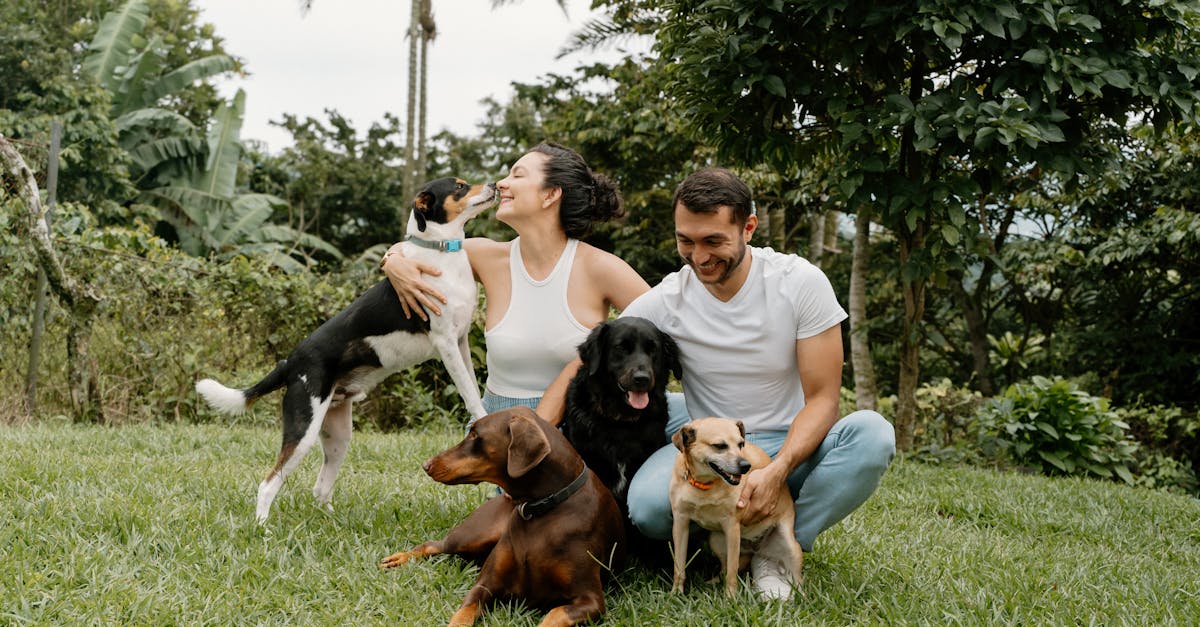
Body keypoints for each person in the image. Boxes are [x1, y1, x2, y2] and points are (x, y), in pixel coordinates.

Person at [539, 167, 895, 599]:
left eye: (713, 241)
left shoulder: (800, 283)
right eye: (685, 241)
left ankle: (773, 548)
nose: (699, 256)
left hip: (791, 444)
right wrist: (535, 436)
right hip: (711, 450)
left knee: (873, 435)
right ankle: (725, 539)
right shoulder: (668, 299)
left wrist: (777, 472)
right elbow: (590, 358)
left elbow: (823, 400)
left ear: (748, 227)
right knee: (649, 509)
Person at [381, 142, 649, 418]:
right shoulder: (484, 256)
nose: (501, 184)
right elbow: (415, 247)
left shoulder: (599, 267)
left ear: (550, 194)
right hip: (493, 426)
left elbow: (668, 322)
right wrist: (392, 262)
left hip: (578, 426)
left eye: (517, 175)